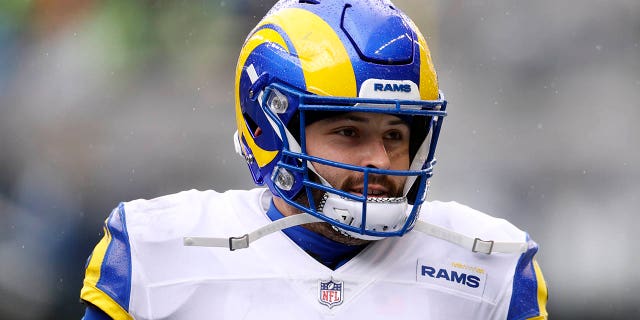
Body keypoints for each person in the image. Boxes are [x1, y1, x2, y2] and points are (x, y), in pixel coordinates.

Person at [79, 0, 548, 319]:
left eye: (395, 134)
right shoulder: (155, 250)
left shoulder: (491, 266)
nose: (379, 161)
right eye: (348, 132)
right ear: (267, 128)